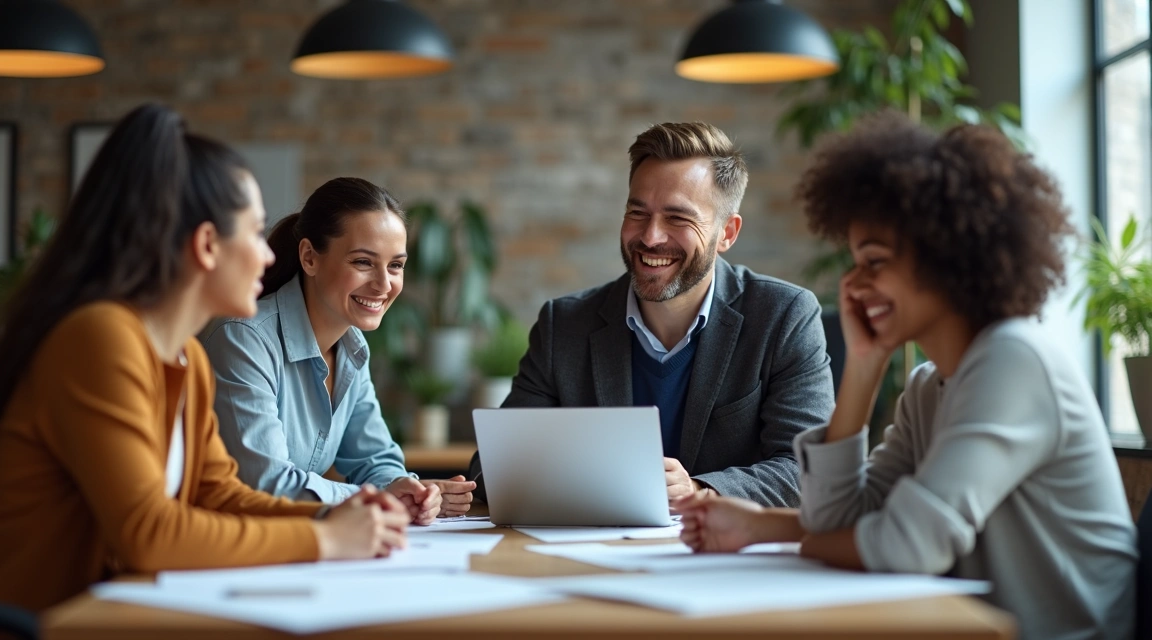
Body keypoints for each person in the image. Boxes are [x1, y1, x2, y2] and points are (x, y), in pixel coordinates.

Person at [676, 114, 1137, 640]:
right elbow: (840, 517)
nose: (855, 283)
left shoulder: (1014, 361)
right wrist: (864, 365)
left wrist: (782, 533)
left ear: (947, 258)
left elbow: (904, 548)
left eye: (874, 261)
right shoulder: (928, 384)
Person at [0, 104, 408, 615]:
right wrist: (326, 542)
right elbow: (148, 533)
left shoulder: (187, 358)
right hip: (18, 622)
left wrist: (332, 519)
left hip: (104, 609)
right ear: (207, 245)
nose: (269, 255)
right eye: (253, 233)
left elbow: (221, 493)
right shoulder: (100, 338)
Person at [469, 122, 835, 507]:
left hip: (724, 557)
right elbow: (495, 467)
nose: (650, 236)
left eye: (678, 218)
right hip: (597, 555)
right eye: (637, 212)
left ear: (727, 232)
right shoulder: (564, 325)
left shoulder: (783, 316)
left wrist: (698, 489)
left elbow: (808, 469)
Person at [199, 177, 474, 522]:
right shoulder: (244, 340)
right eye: (363, 262)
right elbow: (264, 485)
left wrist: (412, 492)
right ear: (310, 258)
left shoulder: (353, 348)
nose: (384, 284)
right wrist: (379, 499)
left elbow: (375, 460)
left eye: (396, 265)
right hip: (227, 550)